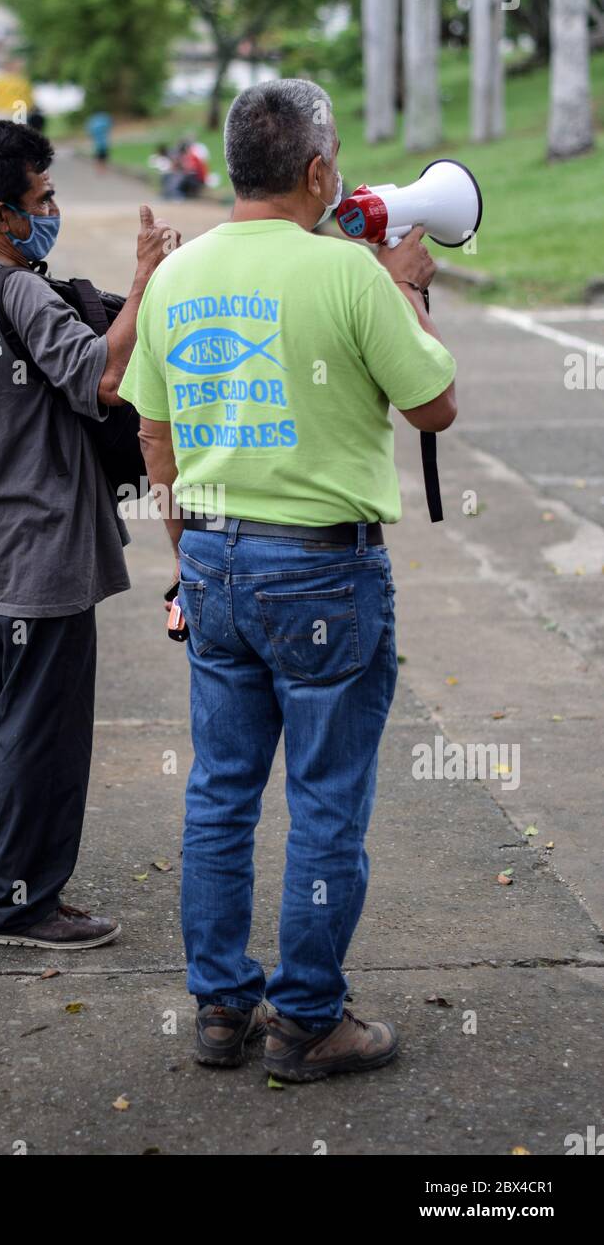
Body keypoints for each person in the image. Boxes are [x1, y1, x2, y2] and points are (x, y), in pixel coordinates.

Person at [119, 79, 456, 1081]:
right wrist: (398, 280)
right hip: (320, 570)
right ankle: (306, 1020)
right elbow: (433, 405)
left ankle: (221, 1006)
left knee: (220, 793)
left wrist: (187, 561)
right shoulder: (348, 275)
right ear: (316, 171)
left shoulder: (175, 280)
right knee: (324, 800)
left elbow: (153, 434)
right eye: (337, 156)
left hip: (213, 556)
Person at [0, 120, 178, 949]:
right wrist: (143, 282)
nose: (54, 209)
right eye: (46, 197)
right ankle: (21, 901)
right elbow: (103, 374)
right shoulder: (19, 291)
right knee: (44, 732)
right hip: (44, 548)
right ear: (4, 213)